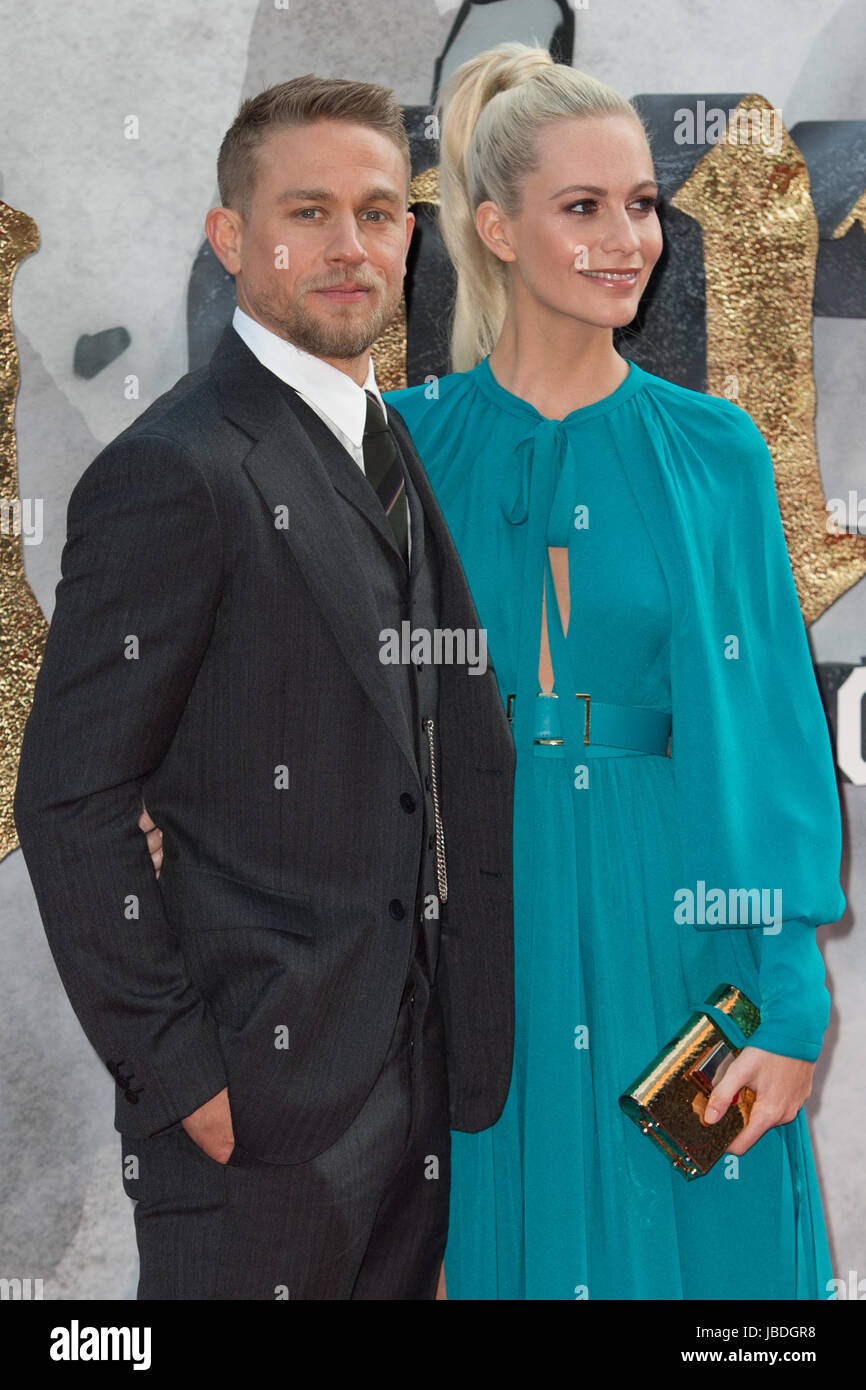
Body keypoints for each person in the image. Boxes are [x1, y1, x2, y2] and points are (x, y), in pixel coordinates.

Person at [13, 75, 515, 1301]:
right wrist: (185, 1076)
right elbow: (70, 802)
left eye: (379, 212)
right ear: (231, 237)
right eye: (308, 211)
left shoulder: (379, 439)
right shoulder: (174, 473)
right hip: (255, 1115)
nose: (350, 246)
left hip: (410, 1088)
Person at [381, 43, 846, 1299]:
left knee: (705, 1267)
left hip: (674, 900)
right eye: (581, 206)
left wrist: (787, 992)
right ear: (494, 226)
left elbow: (759, 732)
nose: (626, 236)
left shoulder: (712, 450)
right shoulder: (401, 445)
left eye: (638, 203)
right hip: (474, 925)